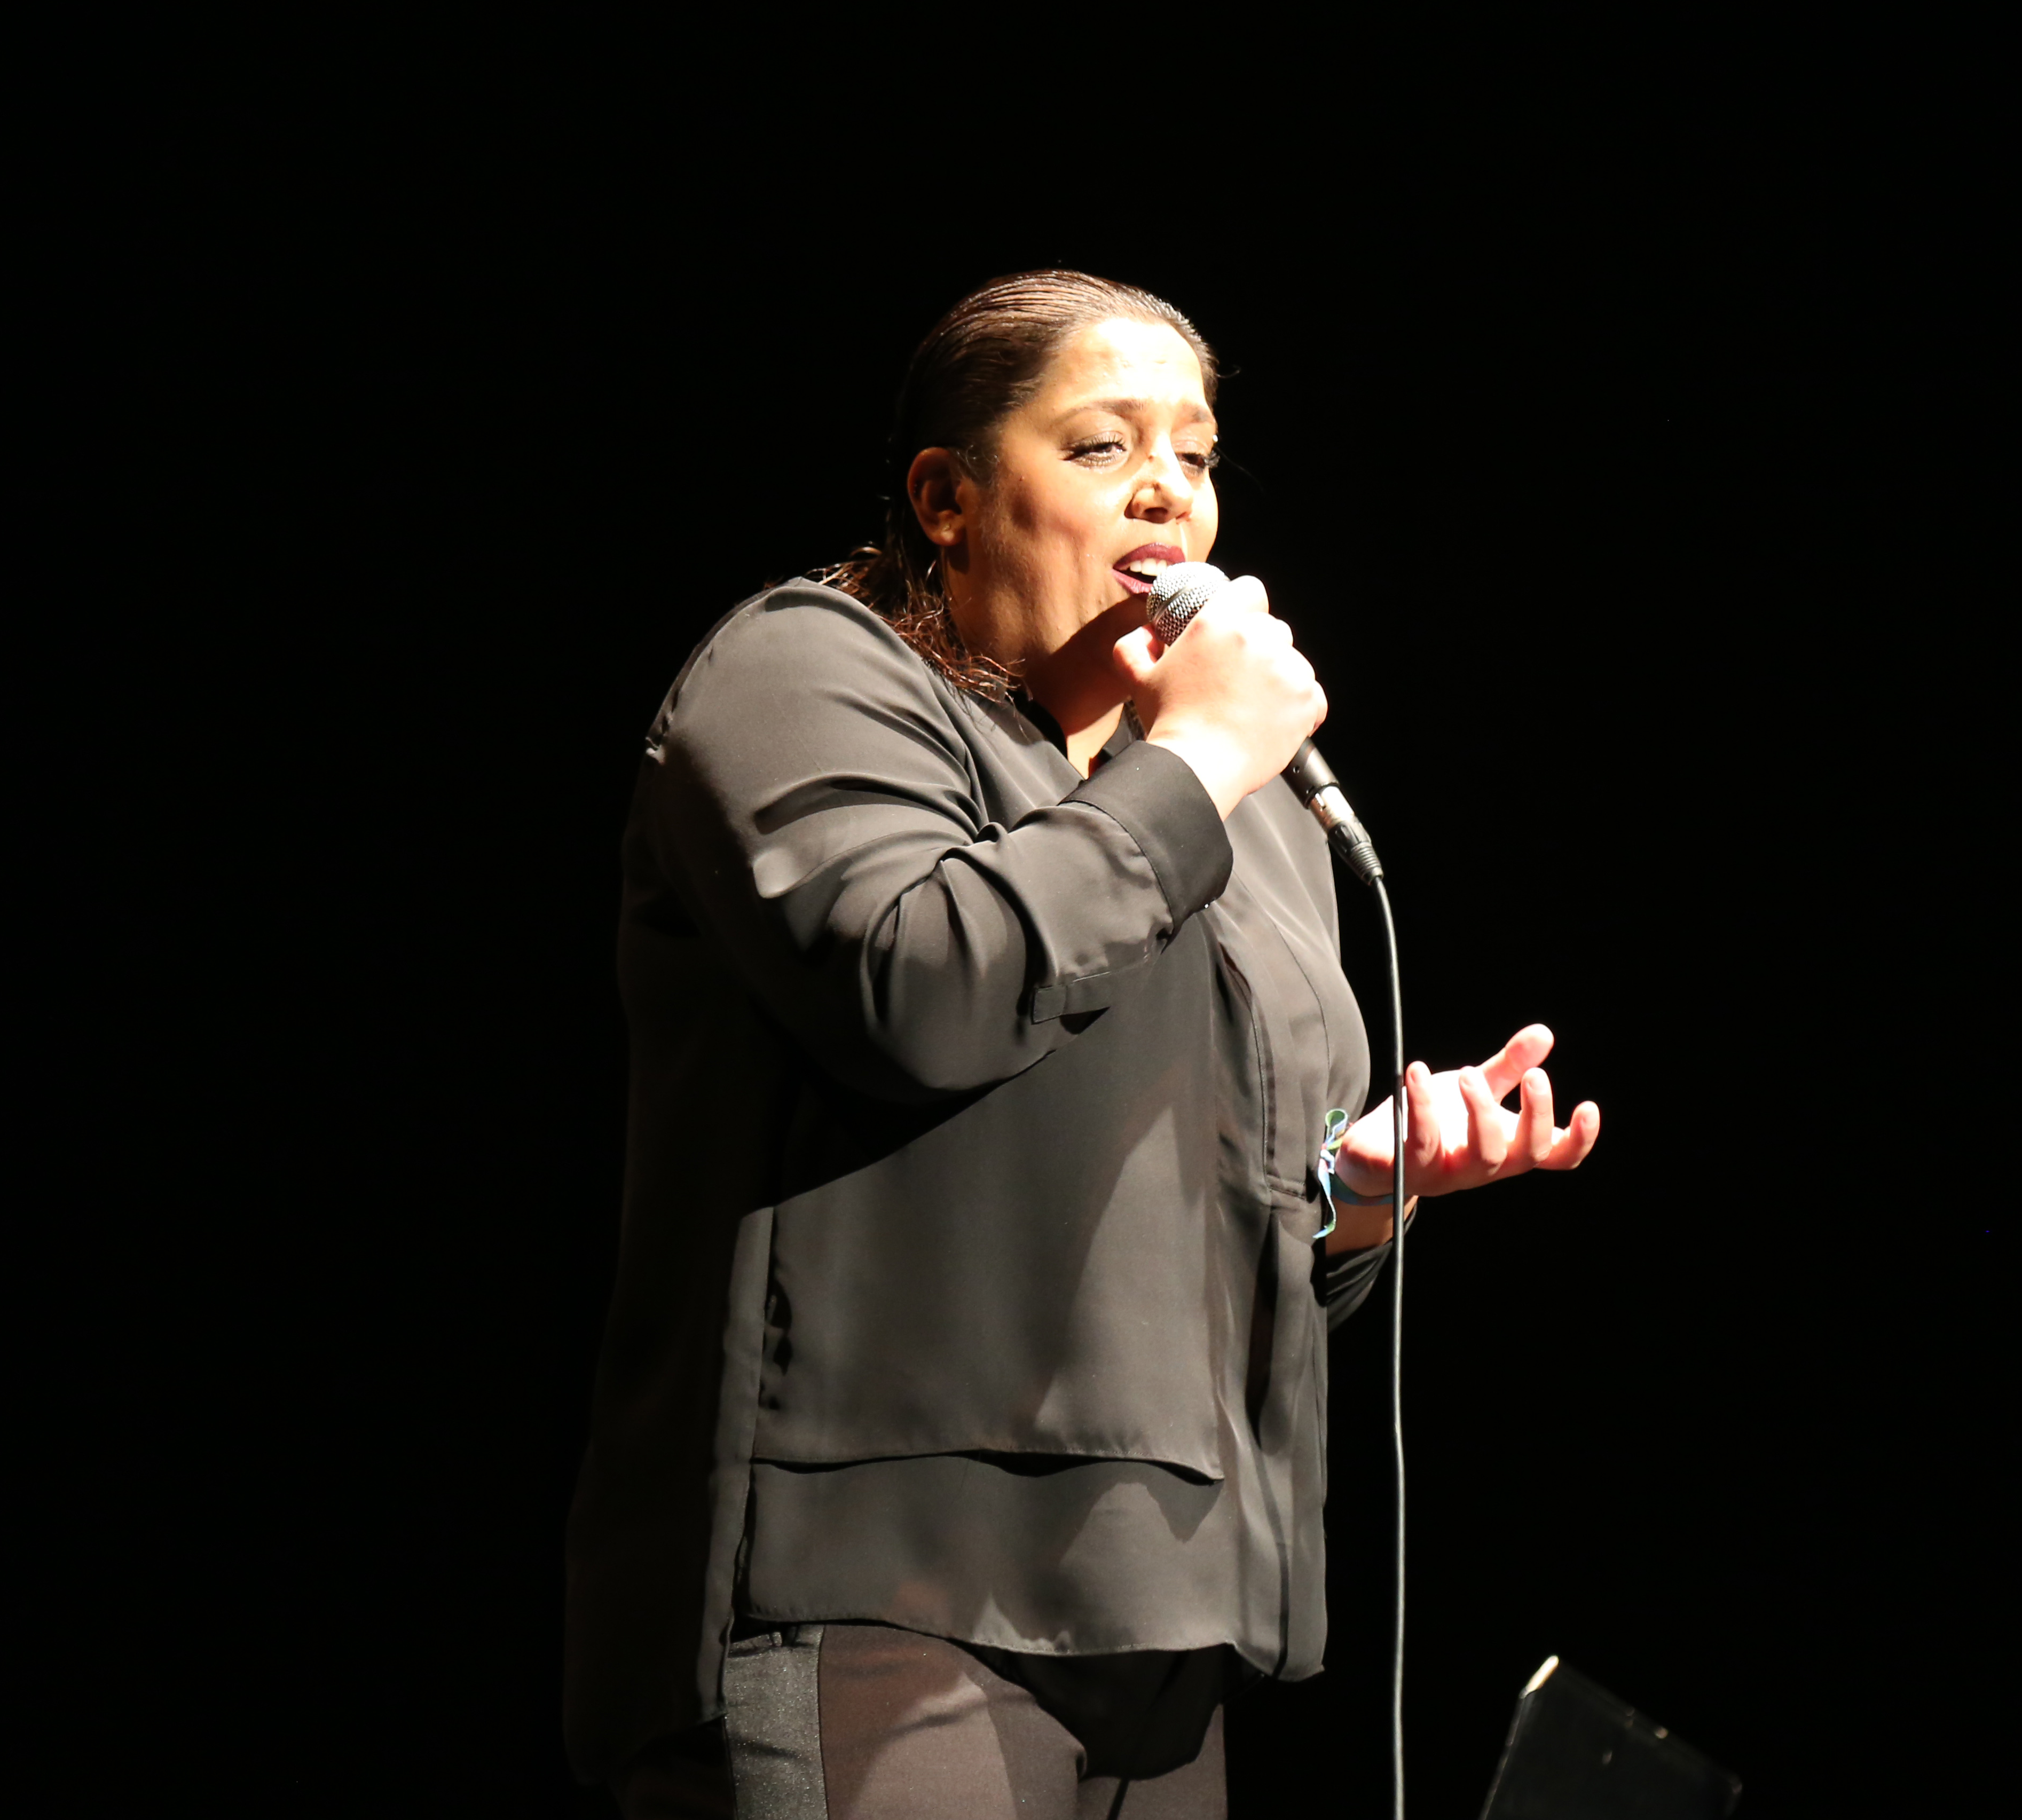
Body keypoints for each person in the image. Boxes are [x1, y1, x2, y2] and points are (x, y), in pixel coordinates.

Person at [566, 271, 1600, 1819]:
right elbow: (921, 985)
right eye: (1105, 446)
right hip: (881, 1587)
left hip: (1167, 1606)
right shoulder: (816, 675)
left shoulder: (1247, 812)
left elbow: (1222, 1199)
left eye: (1197, 453)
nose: (1169, 490)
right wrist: (1198, 756)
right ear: (949, 497)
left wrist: (1351, 1188)